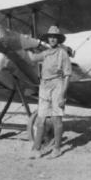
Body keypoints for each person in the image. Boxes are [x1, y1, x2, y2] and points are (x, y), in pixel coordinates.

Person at [27, 25, 72, 159]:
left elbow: (68, 75)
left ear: (58, 40)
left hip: (57, 86)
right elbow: (33, 58)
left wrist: (62, 95)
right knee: (40, 120)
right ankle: (37, 149)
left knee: (56, 119)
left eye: (55, 37)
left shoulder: (62, 54)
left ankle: (57, 149)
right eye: (50, 37)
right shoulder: (46, 53)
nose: (52, 39)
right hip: (44, 87)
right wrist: (27, 43)